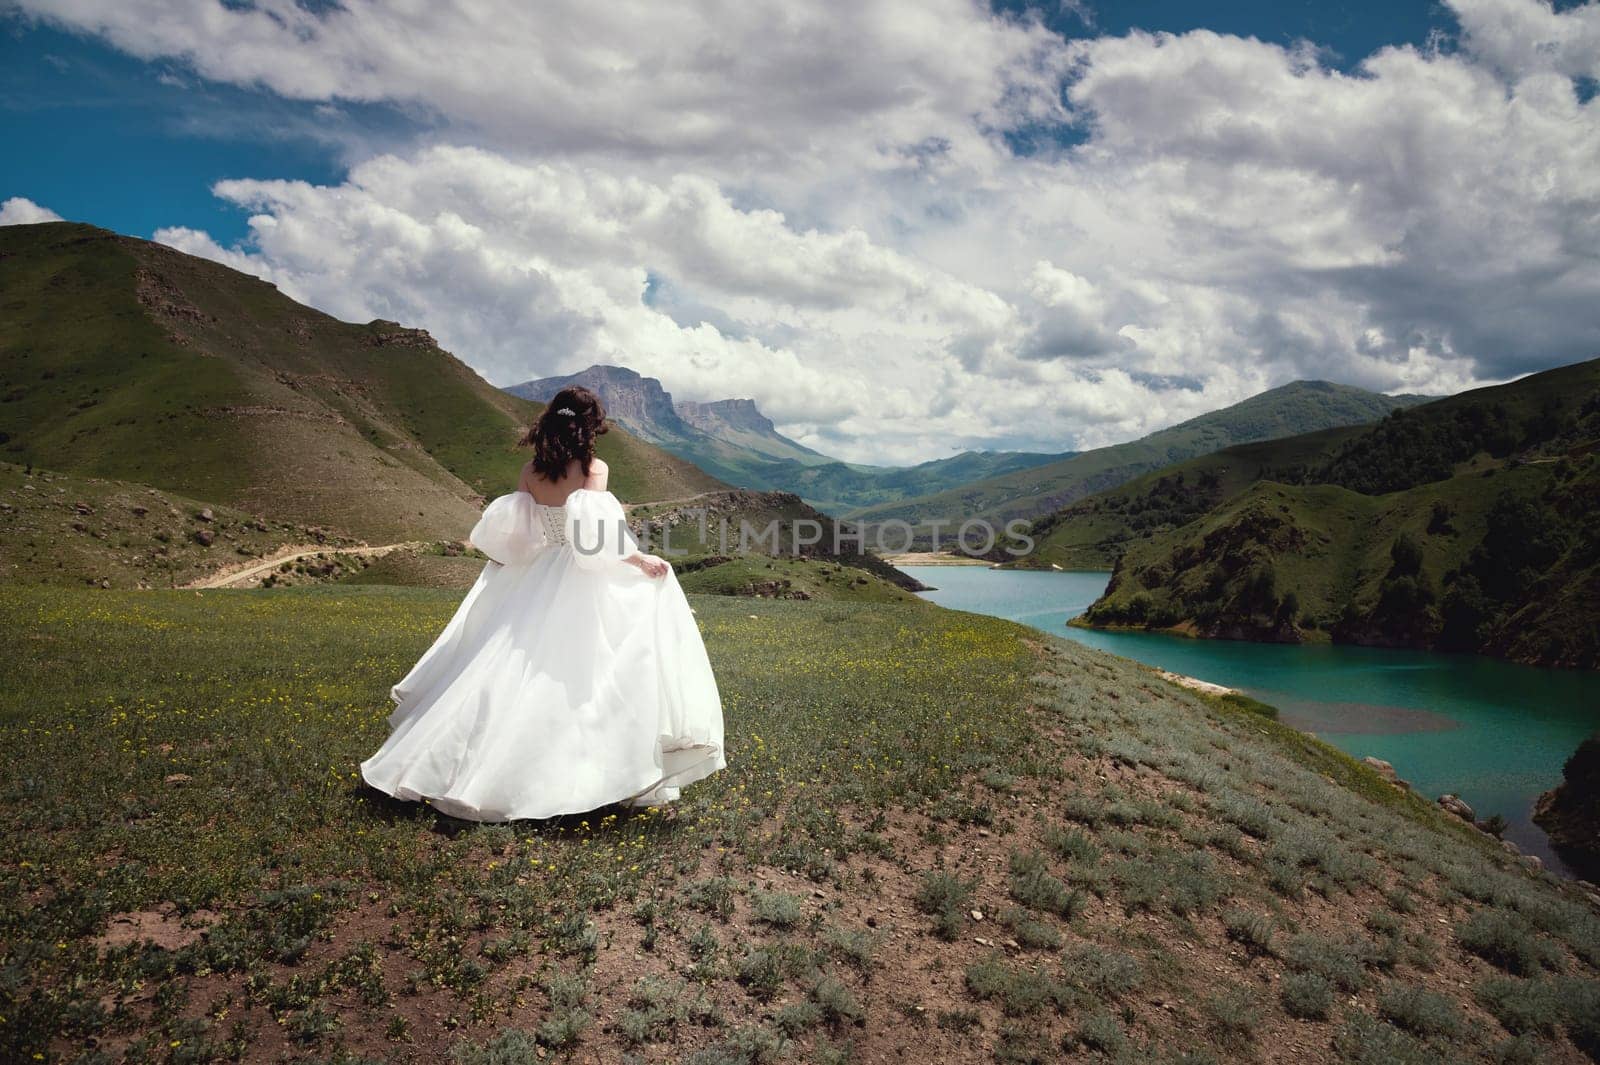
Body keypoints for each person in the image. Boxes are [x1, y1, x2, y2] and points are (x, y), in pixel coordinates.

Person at [360, 385, 725, 820]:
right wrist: (639, 559)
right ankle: (590, 772)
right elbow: (594, 540)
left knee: (510, 666)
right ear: (589, 428)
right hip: (579, 575)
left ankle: (460, 762)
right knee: (590, 673)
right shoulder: (593, 469)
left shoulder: (532, 471)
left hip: (537, 572)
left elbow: (516, 534)